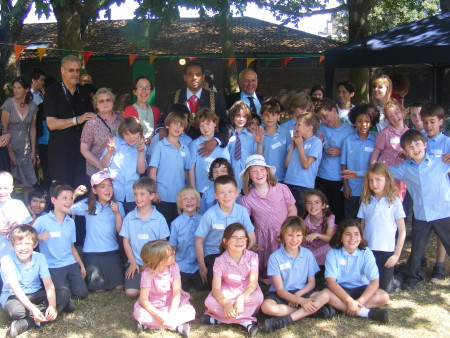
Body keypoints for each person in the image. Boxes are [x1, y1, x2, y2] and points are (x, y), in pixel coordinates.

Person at [342, 129, 450, 291]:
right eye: (410, 147)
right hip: (422, 214)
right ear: (405, 151)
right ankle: (412, 277)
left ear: (425, 144)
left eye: (417, 144)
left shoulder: (440, 161)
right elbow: (382, 174)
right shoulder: (404, 168)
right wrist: (356, 173)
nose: (415, 149)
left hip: (443, 211)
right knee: (417, 248)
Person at [261, 216, 332, 333]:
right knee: (266, 307)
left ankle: (288, 319)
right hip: (282, 294)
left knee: (326, 295)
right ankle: (311, 312)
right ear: (283, 236)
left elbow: (311, 284)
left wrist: (298, 297)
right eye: (290, 235)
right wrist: (302, 302)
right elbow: (280, 291)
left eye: (298, 235)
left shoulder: (308, 254)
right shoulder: (275, 257)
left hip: (302, 291)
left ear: (303, 236)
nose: (294, 240)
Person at [0, 225, 70, 337]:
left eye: (27, 243)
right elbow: (16, 289)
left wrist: (52, 305)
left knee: (64, 292)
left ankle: (26, 323)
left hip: (35, 293)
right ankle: (59, 306)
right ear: (12, 245)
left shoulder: (40, 258)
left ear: (35, 244)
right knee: (16, 312)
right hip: (13, 295)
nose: (23, 248)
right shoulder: (6, 260)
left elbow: (48, 283)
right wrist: (33, 309)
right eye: (19, 244)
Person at [239, 155, 296, 281]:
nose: (259, 174)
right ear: (249, 176)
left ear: (267, 172)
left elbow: (292, 208)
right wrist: (250, 241)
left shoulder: (282, 188)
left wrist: (287, 230)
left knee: (289, 265)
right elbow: (244, 223)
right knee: (268, 269)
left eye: (262, 170)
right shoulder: (247, 199)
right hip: (264, 238)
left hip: (286, 233)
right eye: (254, 171)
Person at [33, 182, 88, 311]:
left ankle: (66, 292)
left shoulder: (71, 222)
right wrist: (39, 237)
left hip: (70, 263)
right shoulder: (43, 220)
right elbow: (27, 237)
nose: (69, 201)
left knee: (82, 293)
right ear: (53, 200)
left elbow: (72, 247)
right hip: (52, 265)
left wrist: (81, 264)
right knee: (63, 292)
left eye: (70, 198)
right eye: (64, 198)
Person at [201, 223, 263, 337]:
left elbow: (253, 283)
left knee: (258, 298)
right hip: (227, 292)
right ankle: (245, 321)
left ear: (247, 240)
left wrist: (241, 299)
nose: (239, 241)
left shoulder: (253, 257)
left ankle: (217, 320)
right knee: (209, 302)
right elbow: (216, 289)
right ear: (225, 241)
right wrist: (226, 305)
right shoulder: (219, 261)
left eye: (242, 238)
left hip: (247, 291)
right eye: (234, 238)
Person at [159, 60, 232, 156]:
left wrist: (216, 141)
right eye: (190, 74)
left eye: (198, 74)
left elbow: (227, 125)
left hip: (206, 149)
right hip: (178, 149)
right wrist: (162, 133)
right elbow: (163, 121)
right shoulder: (174, 97)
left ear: (203, 77)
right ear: (184, 77)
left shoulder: (216, 98)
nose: (194, 78)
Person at [44, 55, 96, 188]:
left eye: (78, 70)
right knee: (61, 189)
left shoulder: (83, 91)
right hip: (60, 150)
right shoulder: (52, 91)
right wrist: (76, 120)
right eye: (71, 70)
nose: (75, 74)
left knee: (81, 188)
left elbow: (92, 120)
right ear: (62, 70)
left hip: (81, 149)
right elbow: (51, 124)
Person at [195, 175, 256, 287]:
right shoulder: (209, 215)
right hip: (215, 253)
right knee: (214, 283)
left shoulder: (242, 211)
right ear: (216, 195)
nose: (227, 196)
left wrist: (243, 252)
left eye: (230, 192)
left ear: (236, 193)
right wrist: (202, 267)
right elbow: (198, 241)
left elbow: (252, 237)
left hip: (237, 251)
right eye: (222, 193)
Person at [325, 219, 390, 323]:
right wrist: (349, 301)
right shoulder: (332, 253)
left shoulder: (366, 252)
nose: (352, 238)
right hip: (341, 290)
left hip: (362, 290)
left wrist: (359, 302)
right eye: (348, 234)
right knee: (325, 294)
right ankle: (365, 312)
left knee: (384, 296)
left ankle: (342, 309)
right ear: (340, 237)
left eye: (356, 234)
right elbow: (331, 282)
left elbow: (374, 281)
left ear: (361, 237)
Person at [70, 171, 125, 291]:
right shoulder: (87, 205)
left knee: (119, 286)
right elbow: (67, 209)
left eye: (110, 185)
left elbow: (120, 230)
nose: (108, 189)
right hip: (92, 252)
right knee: (99, 289)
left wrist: (117, 213)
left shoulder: (118, 206)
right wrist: (75, 194)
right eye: (102, 186)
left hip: (112, 251)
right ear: (94, 190)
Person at [357, 163, 406, 293]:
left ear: (387, 180)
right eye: (371, 180)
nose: (374, 184)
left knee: (385, 289)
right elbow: (361, 226)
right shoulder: (366, 201)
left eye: (378, 180)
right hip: (368, 250)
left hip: (387, 251)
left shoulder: (394, 202)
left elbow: (402, 231)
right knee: (367, 287)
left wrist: (396, 254)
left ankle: (400, 276)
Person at [119, 177, 169, 298]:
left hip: (154, 264)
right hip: (136, 264)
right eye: (135, 194)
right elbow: (126, 242)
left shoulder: (159, 218)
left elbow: (163, 244)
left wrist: (157, 265)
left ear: (152, 196)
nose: (138, 198)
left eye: (142, 194)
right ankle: (145, 288)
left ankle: (149, 288)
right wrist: (132, 262)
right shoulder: (129, 218)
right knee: (131, 293)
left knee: (162, 290)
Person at [133, 240, 195, 336]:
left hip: (172, 303)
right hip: (154, 305)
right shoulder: (147, 274)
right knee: (139, 313)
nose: (174, 252)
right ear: (161, 261)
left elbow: (176, 293)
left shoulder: (174, 267)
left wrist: (172, 313)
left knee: (189, 311)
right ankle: (176, 326)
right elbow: (144, 300)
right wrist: (158, 315)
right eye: (171, 253)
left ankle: (148, 326)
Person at [421, 102, 450, 284]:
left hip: (442, 196)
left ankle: (439, 265)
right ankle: (419, 262)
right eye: (425, 122)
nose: (428, 126)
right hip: (422, 196)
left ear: (441, 122)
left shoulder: (447, 142)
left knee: (441, 232)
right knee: (421, 231)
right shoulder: (419, 140)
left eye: (432, 122)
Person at [315, 98, 354, 223]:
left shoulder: (349, 130)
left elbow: (354, 153)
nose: (325, 121)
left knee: (338, 214)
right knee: (322, 213)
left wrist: (340, 152)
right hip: (321, 177)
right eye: (321, 118)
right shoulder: (320, 128)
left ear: (334, 111)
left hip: (338, 179)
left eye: (326, 116)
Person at [149, 111, 192, 224]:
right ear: (167, 125)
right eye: (175, 123)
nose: (178, 127)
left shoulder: (185, 149)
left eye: (181, 125)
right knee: (164, 230)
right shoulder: (160, 146)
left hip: (180, 197)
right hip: (162, 196)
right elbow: (153, 170)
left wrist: (190, 192)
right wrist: (153, 192)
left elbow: (187, 172)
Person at [1, 76, 38, 200]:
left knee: (29, 181)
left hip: (26, 147)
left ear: (26, 89)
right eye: (14, 88)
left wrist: (33, 150)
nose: (15, 91)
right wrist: (10, 153)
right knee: (13, 181)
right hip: (11, 145)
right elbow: (4, 131)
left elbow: (32, 128)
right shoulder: (8, 104)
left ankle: (28, 210)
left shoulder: (32, 106)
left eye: (19, 88)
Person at [100, 117, 146, 214]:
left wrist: (140, 152)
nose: (131, 137)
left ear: (140, 133)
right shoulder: (115, 142)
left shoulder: (141, 145)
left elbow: (141, 171)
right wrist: (109, 153)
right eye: (127, 134)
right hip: (114, 193)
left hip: (132, 194)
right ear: (122, 134)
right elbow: (103, 165)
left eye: (134, 133)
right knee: (115, 223)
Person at [340, 104, 379, 219]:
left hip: (370, 187)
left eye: (367, 121)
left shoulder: (375, 141)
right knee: (350, 217)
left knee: (367, 218)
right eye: (360, 121)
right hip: (351, 187)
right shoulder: (348, 140)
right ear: (354, 123)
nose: (363, 124)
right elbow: (343, 165)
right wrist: (345, 186)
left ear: (371, 123)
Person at [0, 171, 33, 292]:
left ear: (12, 189)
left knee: (17, 283)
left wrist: (19, 226)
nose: (2, 192)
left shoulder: (18, 205)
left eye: (5, 188)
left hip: (15, 255)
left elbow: (28, 226)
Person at [370, 100, 409, 201]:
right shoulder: (385, 133)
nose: (395, 117)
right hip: (387, 171)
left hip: (402, 171)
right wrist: (373, 169)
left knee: (400, 200)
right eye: (391, 116)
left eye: (397, 113)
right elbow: (376, 152)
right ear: (387, 119)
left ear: (402, 112)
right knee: (386, 199)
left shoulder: (409, 133)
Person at [169, 187, 206, 291]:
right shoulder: (176, 224)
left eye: (192, 198)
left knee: (202, 287)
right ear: (180, 204)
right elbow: (173, 246)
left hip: (198, 265)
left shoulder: (203, 220)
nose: (189, 201)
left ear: (198, 203)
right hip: (182, 264)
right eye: (185, 199)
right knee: (181, 288)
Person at [284, 112, 322, 215]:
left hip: (304, 185)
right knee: (290, 214)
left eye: (299, 124)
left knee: (301, 215)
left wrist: (300, 146)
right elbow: (286, 164)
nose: (295, 127)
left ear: (310, 127)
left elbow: (306, 165)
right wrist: (293, 145)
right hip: (289, 182)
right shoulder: (297, 141)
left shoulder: (316, 142)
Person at [80, 88, 123, 178]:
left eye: (108, 100)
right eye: (101, 101)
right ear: (96, 105)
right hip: (98, 173)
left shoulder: (121, 120)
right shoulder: (92, 123)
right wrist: (100, 166)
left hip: (119, 171)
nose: (105, 103)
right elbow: (84, 149)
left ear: (113, 102)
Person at [189, 109, 230, 194]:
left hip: (220, 190)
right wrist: (193, 190)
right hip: (201, 189)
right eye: (202, 125)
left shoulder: (222, 144)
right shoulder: (195, 144)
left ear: (215, 123)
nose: (205, 128)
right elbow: (191, 169)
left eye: (208, 124)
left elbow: (228, 168)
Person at [254, 99, 291, 182]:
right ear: (262, 117)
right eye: (266, 115)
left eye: (273, 115)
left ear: (278, 116)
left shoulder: (285, 133)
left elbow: (290, 156)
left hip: (281, 177)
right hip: (264, 178)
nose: (270, 118)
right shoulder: (258, 133)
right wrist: (259, 143)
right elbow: (258, 159)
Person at [227, 101, 256, 189]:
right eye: (238, 116)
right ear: (232, 117)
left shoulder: (251, 137)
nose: (241, 119)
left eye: (244, 116)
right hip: (231, 174)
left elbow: (254, 156)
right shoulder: (228, 136)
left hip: (247, 176)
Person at [302, 190, 336, 266]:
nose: (313, 206)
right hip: (311, 247)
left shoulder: (329, 218)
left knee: (331, 248)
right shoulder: (304, 221)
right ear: (305, 206)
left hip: (325, 246)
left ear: (323, 205)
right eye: (309, 203)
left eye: (316, 202)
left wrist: (317, 235)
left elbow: (329, 238)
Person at [124, 76, 162, 144]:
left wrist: (154, 138)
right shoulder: (130, 110)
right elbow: (129, 133)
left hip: (155, 149)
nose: (144, 91)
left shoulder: (156, 111)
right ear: (135, 91)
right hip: (137, 149)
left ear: (150, 91)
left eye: (147, 87)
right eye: (140, 87)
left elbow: (161, 132)